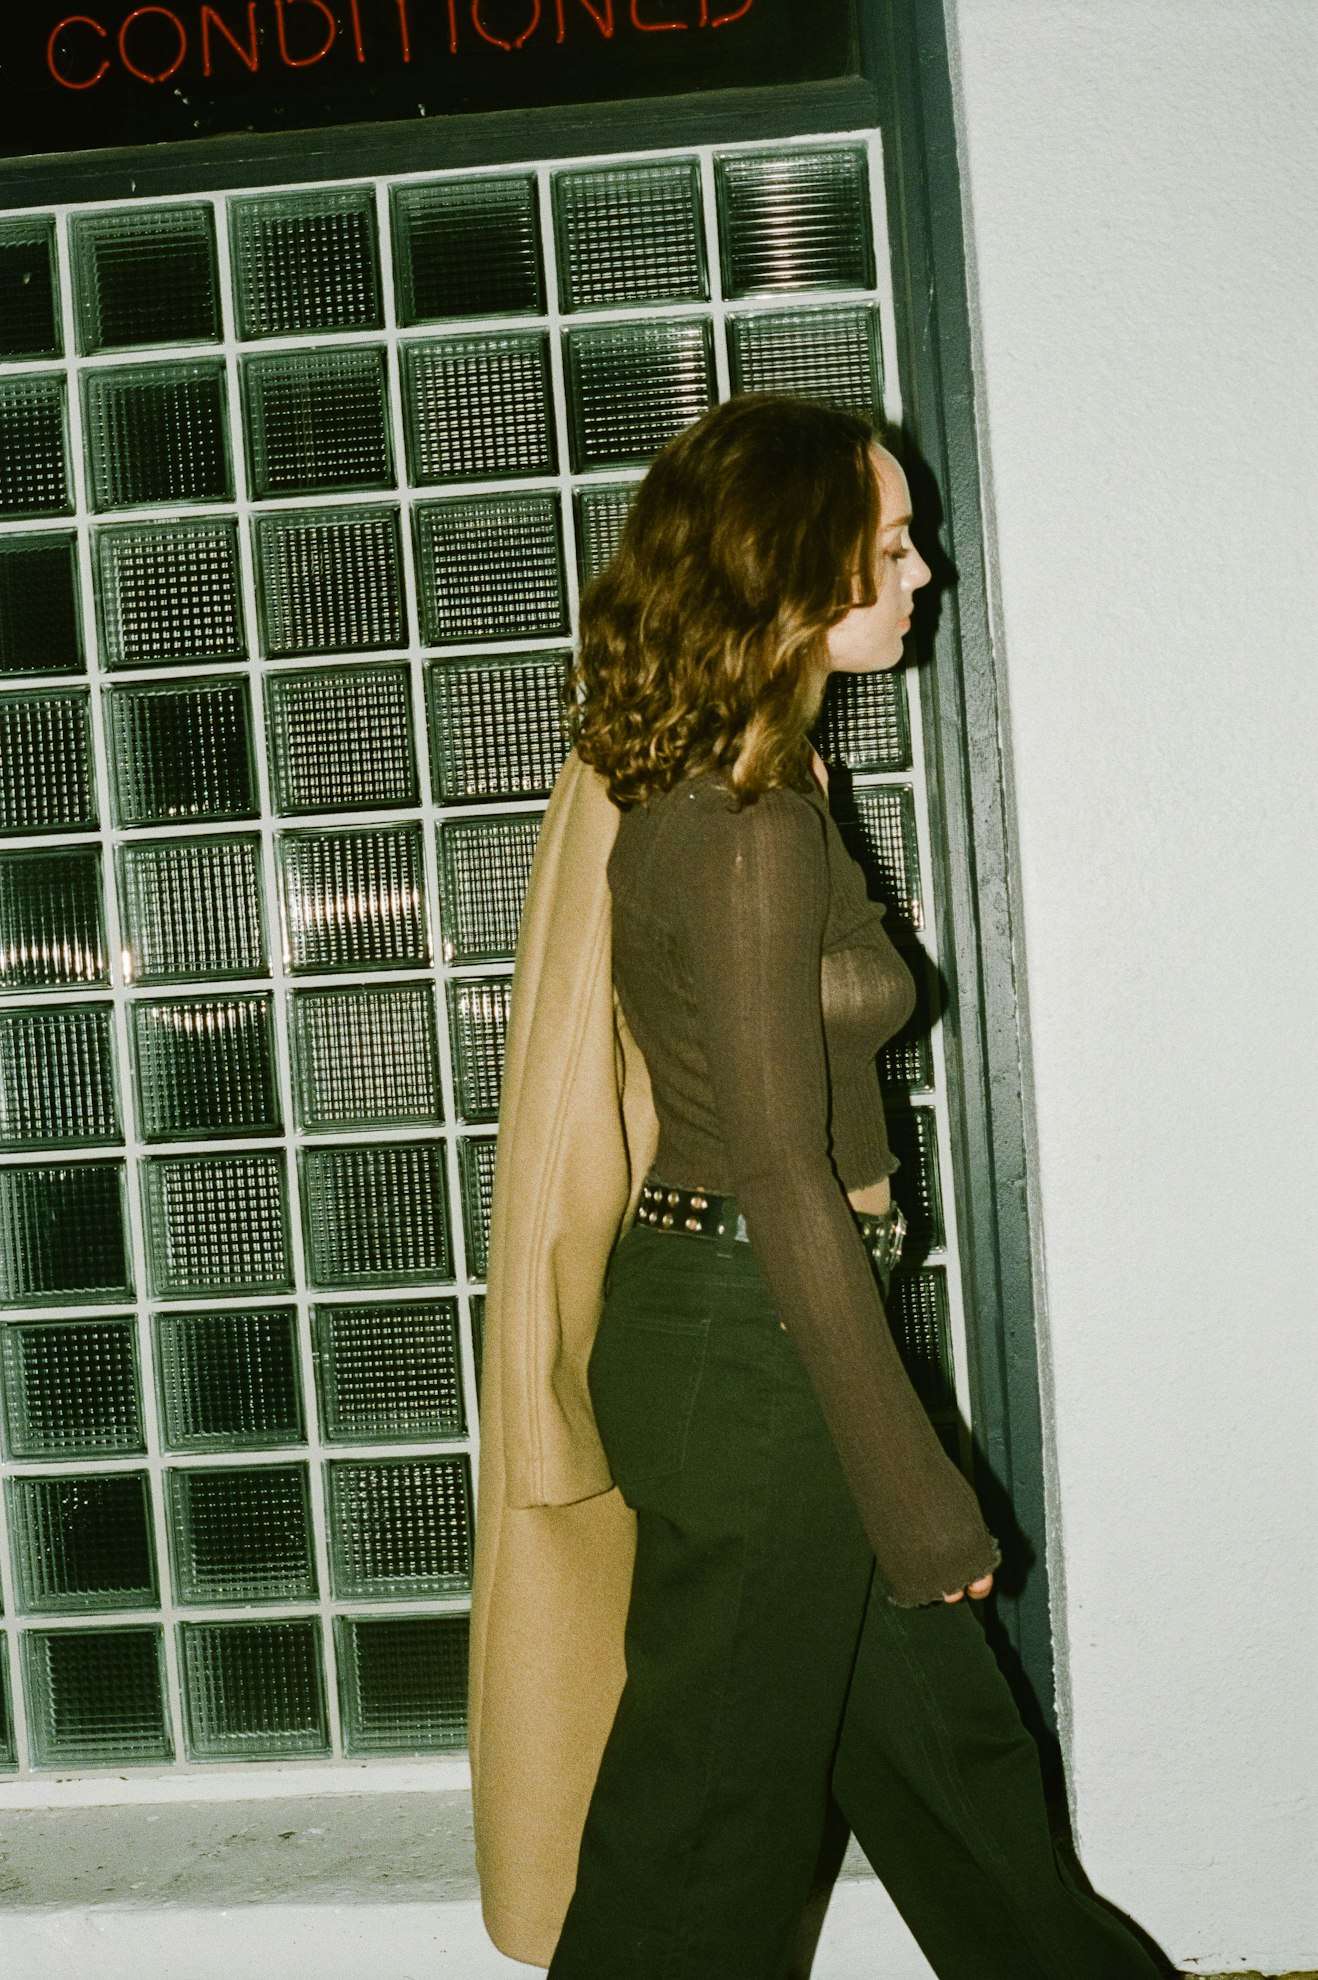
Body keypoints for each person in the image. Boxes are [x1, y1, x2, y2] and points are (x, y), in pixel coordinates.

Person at [518, 393, 1171, 1979]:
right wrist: (915, 1489)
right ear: (790, 566)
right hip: (756, 1345)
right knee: (707, 1844)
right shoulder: (744, 828)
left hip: (763, 1329)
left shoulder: (757, 784)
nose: (920, 569)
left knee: (958, 1780)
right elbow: (781, 1174)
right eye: (887, 544)